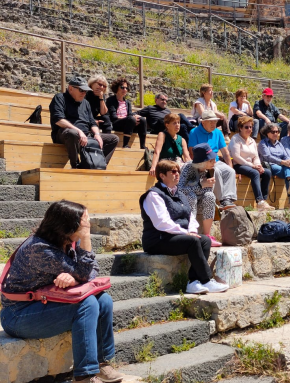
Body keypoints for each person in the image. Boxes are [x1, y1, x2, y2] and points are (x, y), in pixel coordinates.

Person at [0, 200, 123, 383]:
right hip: (18, 315)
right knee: (87, 305)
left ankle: (102, 363)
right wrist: (85, 244)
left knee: (103, 301)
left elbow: (92, 268)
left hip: (44, 303)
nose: (87, 225)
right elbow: (85, 271)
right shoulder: (40, 249)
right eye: (84, 222)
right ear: (66, 225)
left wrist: (74, 277)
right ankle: (85, 375)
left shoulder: (67, 240)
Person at [140, 159, 229, 294]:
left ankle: (193, 282)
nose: (177, 175)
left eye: (178, 172)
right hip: (157, 239)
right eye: (173, 172)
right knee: (192, 241)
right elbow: (162, 222)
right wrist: (185, 233)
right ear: (162, 175)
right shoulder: (154, 195)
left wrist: (192, 230)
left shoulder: (179, 193)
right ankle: (206, 280)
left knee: (204, 239)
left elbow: (190, 217)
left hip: (175, 236)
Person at [50, 77, 119, 169]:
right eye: (81, 90)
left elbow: (92, 122)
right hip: (64, 133)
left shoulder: (85, 103)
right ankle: (75, 166)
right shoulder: (60, 98)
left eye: (86, 91)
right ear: (70, 88)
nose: (84, 93)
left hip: (86, 134)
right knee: (73, 133)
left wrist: (97, 134)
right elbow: (58, 120)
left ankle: (99, 163)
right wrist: (79, 131)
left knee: (113, 139)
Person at [188, 110, 238, 210]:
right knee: (217, 171)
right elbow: (192, 152)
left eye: (215, 121)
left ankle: (228, 199)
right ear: (203, 122)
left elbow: (225, 153)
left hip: (215, 160)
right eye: (211, 121)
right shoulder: (194, 132)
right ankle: (222, 200)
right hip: (202, 162)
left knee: (230, 171)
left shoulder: (218, 133)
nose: (213, 124)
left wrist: (230, 166)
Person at [228, 116, 274, 211]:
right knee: (255, 173)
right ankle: (259, 201)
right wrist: (253, 166)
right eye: (246, 127)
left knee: (267, 172)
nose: (249, 129)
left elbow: (255, 156)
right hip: (238, 165)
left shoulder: (252, 140)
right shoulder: (235, 139)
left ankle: (264, 201)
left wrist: (258, 165)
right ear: (240, 128)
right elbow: (236, 157)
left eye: (250, 127)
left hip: (251, 165)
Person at [178, 144, 221, 243]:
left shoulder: (211, 170)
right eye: (211, 160)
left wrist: (204, 186)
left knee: (210, 196)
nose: (214, 162)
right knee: (191, 196)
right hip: (185, 203)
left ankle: (207, 235)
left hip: (200, 202)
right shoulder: (188, 168)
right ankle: (192, 233)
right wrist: (200, 185)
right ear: (202, 162)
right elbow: (179, 190)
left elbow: (207, 191)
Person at [258, 122, 290, 210]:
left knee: (289, 167)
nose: (276, 134)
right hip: (270, 166)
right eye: (273, 132)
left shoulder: (279, 144)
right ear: (267, 133)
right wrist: (283, 162)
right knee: (288, 169)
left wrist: (289, 161)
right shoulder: (263, 143)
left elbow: (285, 155)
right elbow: (267, 157)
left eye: (277, 132)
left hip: (282, 166)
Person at [105, 77, 147, 149]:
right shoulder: (111, 100)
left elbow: (130, 114)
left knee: (142, 119)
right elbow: (113, 116)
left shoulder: (127, 103)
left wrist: (135, 118)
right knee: (131, 119)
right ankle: (125, 145)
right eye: (122, 87)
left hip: (128, 122)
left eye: (126, 88)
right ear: (116, 88)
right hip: (116, 123)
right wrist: (130, 118)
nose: (125, 90)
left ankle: (142, 146)